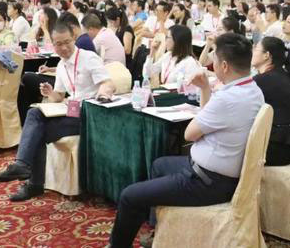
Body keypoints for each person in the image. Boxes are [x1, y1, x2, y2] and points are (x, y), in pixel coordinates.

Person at [108, 33, 263, 246]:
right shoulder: (254, 90)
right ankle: (161, 233)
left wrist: (206, 101)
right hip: (221, 174)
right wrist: (205, 88)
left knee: (129, 196)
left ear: (224, 66)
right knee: (160, 165)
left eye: (215, 60)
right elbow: (210, 122)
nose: (212, 65)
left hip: (206, 182)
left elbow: (189, 134)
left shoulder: (227, 98)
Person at [0, 21, 115, 201]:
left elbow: (108, 83)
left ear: (74, 38)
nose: (63, 48)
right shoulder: (61, 65)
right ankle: (27, 174)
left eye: (67, 42)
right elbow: (59, 96)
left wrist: (103, 94)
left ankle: (30, 177)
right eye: (58, 44)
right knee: (34, 115)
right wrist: (50, 93)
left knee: (36, 126)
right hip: (71, 112)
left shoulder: (88, 58)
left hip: (89, 116)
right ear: (53, 45)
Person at [252, 37, 290, 165]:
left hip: (281, 149)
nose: (252, 51)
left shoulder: (262, 80)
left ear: (266, 55)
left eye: (256, 48)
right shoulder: (285, 76)